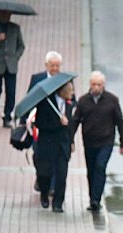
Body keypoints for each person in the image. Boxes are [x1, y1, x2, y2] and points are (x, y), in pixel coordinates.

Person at [70, 71, 123, 212]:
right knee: (91, 170)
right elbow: (75, 121)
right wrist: (70, 139)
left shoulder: (112, 100)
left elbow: (119, 121)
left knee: (100, 167)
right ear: (90, 84)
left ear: (103, 85)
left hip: (106, 141)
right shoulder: (83, 101)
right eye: (93, 84)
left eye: (99, 85)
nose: (96, 87)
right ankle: (92, 198)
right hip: (89, 141)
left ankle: (96, 199)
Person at [34, 81, 75, 213]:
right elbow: (40, 123)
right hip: (48, 144)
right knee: (45, 174)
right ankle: (44, 195)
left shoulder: (69, 104)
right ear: (62, 92)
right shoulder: (46, 104)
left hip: (63, 146)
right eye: (70, 90)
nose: (73, 93)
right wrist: (59, 123)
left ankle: (58, 203)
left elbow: (70, 126)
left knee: (62, 175)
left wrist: (71, 141)